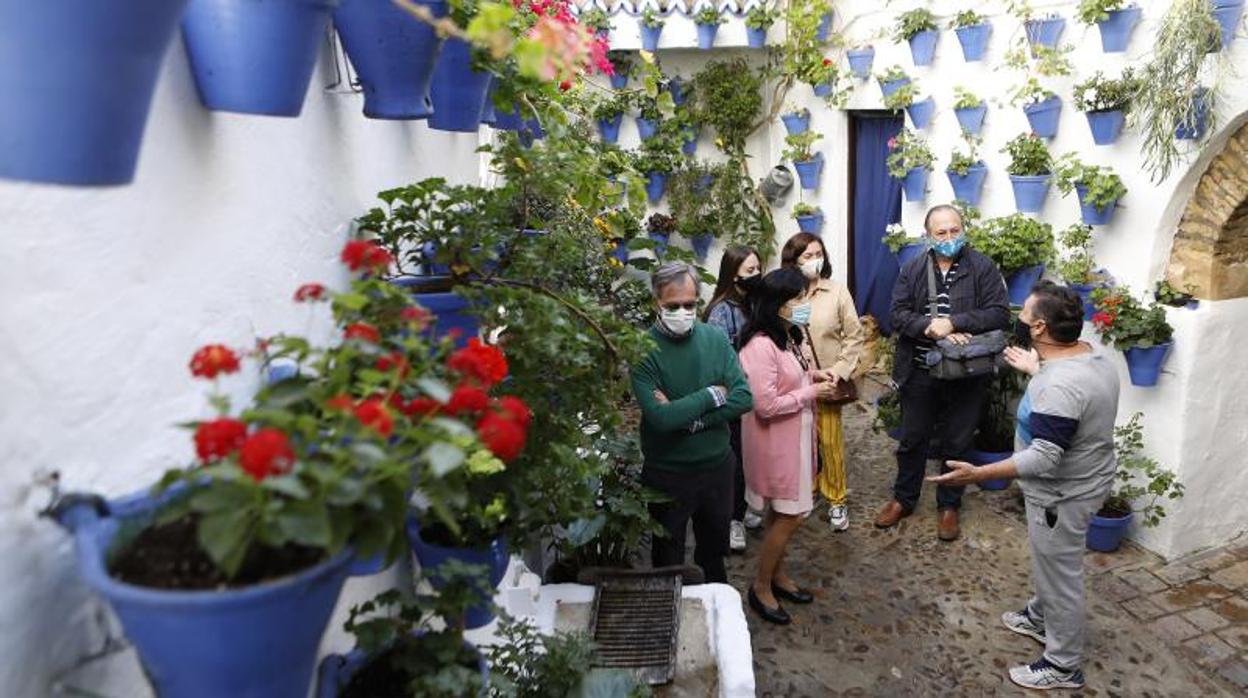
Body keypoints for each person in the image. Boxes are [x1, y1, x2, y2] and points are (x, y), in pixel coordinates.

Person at [928, 281, 1119, 690]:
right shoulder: (1094, 356)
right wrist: (1038, 370)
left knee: (1061, 575)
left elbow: (1045, 456)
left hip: (1062, 496)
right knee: (1051, 565)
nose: (1019, 319)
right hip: (1087, 479)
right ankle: (1039, 615)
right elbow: (1070, 394)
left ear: (1039, 329)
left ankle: (1063, 664)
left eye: (1025, 315)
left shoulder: (1059, 386)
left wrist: (977, 475)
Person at [876, 204, 1010, 541]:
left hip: (966, 373)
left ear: (963, 230)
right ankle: (903, 499)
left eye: (954, 230)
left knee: (958, 442)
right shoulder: (913, 269)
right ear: (928, 236)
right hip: (920, 371)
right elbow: (897, 315)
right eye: (941, 233)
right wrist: (930, 327)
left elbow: (998, 313)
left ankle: (949, 506)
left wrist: (956, 322)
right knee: (912, 439)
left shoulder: (982, 267)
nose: (949, 238)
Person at [630, 262, 753, 584]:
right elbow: (660, 418)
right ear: (656, 301)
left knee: (714, 555)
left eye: (690, 304)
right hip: (667, 473)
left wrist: (693, 420)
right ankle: (668, 612)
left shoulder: (714, 338)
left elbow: (743, 398)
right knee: (667, 557)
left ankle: (717, 609)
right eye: (673, 306)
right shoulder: (643, 351)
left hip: (717, 468)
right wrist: (712, 394)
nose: (683, 312)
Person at [738, 268, 842, 624]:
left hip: (794, 440)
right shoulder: (759, 346)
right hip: (775, 446)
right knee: (791, 514)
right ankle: (761, 586)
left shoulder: (787, 336)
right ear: (776, 304)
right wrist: (812, 391)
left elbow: (790, 377)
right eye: (797, 299)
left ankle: (778, 577)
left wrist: (814, 375)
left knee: (781, 513)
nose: (803, 305)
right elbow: (765, 405)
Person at [780, 233, 865, 532]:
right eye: (807, 256)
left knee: (830, 443)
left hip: (829, 381)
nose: (815, 260)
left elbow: (855, 336)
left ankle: (837, 499)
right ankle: (807, 491)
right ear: (793, 261)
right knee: (799, 442)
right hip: (796, 383)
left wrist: (839, 371)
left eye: (819, 254)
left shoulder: (837, 292)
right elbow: (778, 336)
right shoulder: (785, 295)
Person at [704, 245, 763, 552]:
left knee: (753, 459)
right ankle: (732, 520)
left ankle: (745, 509)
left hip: (756, 397)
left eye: (758, 269)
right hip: (734, 400)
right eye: (749, 271)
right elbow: (720, 362)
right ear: (733, 275)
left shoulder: (752, 304)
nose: (756, 276)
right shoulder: (720, 312)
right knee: (736, 462)